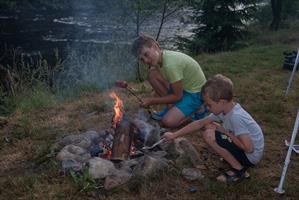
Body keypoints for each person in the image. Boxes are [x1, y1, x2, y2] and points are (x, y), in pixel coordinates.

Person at [163, 74, 264, 182]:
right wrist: (174, 135)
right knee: (210, 130)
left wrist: (225, 132)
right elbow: (199, 123)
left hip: (250, 157)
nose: (207, 108)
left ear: (222, 102)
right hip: (247, 151)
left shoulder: (236, 117)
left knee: (210, 135)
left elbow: (249, 148)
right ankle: (234, 159)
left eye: (209, 105)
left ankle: (239, 170)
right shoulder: (224, 110)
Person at [131, 33, 207, 128]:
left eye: (146, 54)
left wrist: (152, 101)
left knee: (167, 122)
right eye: (142, 59)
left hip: (196, 93)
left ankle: (197, 111)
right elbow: (167, 80)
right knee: (152, 74)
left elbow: (178, 96)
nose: (146, 61)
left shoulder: (170, 65)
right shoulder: (161, 57)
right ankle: (173, 107)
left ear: (155, 46)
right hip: (184, 88)